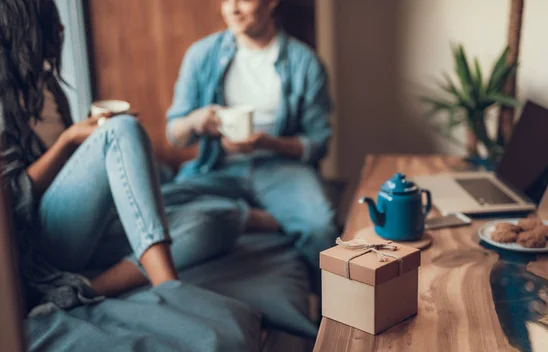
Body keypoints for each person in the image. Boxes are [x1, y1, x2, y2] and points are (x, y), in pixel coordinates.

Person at [0, 0, 248, 315]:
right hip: (45, 237)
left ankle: (89, 288)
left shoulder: (47, 86)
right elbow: (10, 198)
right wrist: (70, 140)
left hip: (86, 226)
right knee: (123, 130)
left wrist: (92, 147)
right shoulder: (3, 104)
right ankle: (169, 288)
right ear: (24, 31)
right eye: (51, 22)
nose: (61, 29)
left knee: (223, 219)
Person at [167, 0, 338, 269]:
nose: (232, 9)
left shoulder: (305, 63)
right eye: (226, 0)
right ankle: (254, 218)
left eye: (243, 0)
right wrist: (196, 121)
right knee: (161, 207)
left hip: (282, 169)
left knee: (321, 228)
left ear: (271, 3)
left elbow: (318, 145)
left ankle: (326, 308)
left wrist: (268, 143)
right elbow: (176, 136)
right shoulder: (201, 55)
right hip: (217, 166)